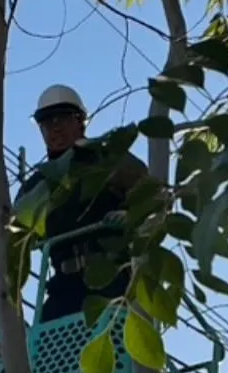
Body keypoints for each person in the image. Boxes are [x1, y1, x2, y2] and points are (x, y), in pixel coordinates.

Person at [13, 84, 148, 323]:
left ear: (80, 121)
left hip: (112, 279)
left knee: (113, 347)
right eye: (46, 122)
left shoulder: (108, 159)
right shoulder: (38, 184)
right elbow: (14, 234)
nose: (54, 127)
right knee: (46, 352)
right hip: (64, 288)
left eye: (62, 118)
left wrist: (131, 216)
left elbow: (152, 196)